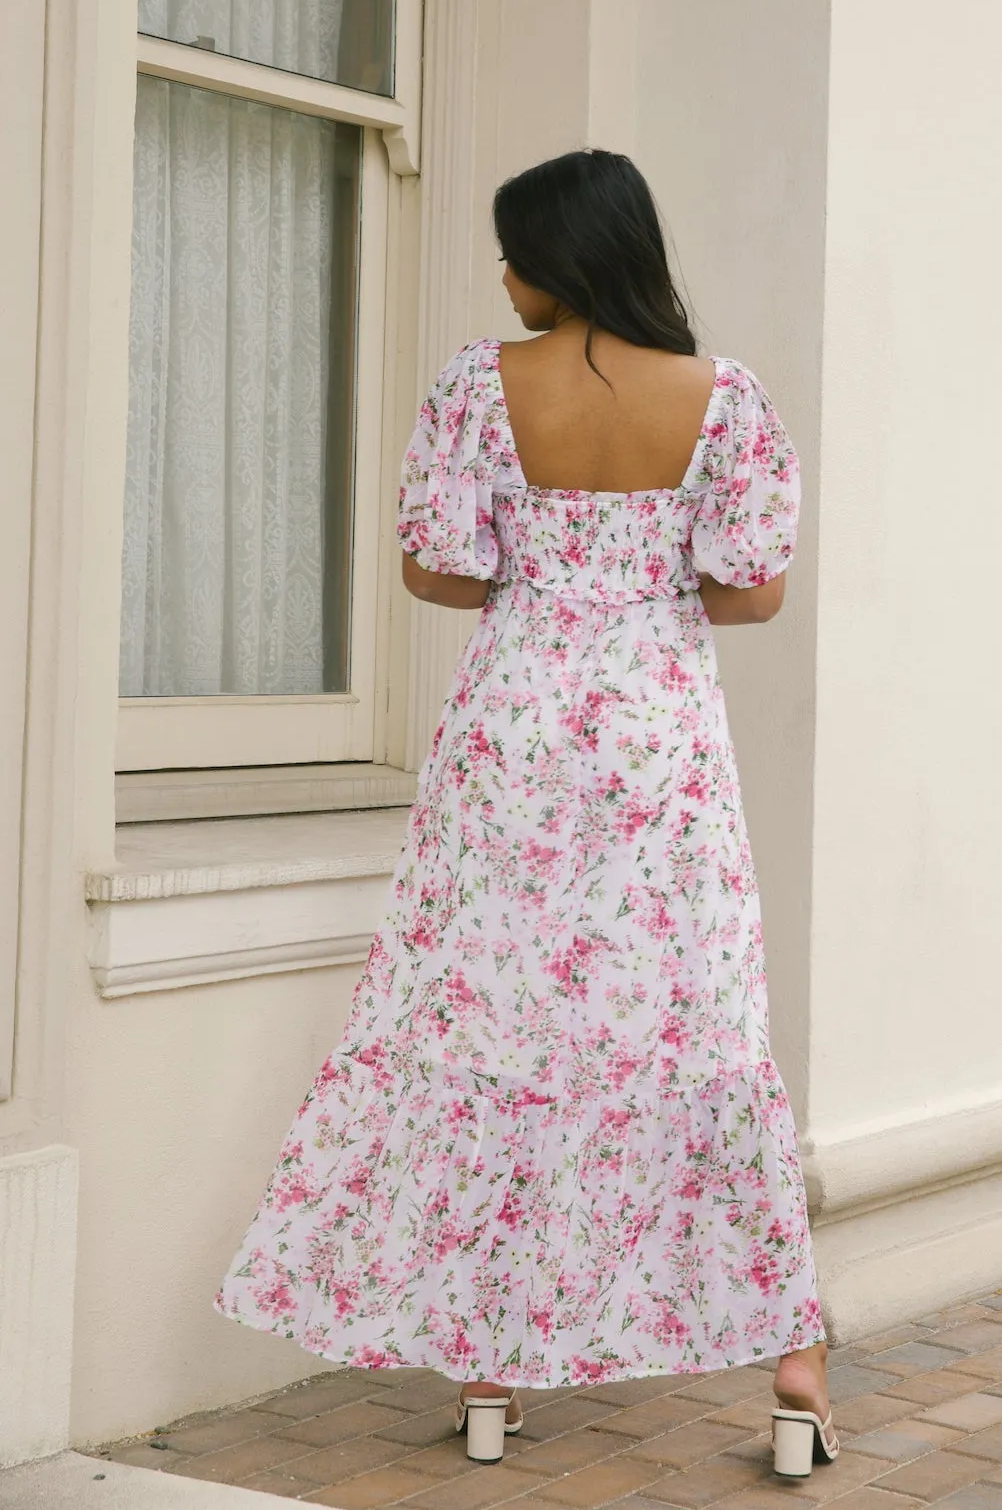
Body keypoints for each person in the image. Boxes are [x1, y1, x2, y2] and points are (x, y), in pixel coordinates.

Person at [215, 149, 837, 1480]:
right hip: (661, 752)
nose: (502, 276)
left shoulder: (474, 387)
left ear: (558, 255)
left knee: (502, 1026)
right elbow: (755, 589)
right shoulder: (723, 401)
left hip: (514, 743)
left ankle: (493, 1370)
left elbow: (441, 571)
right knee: (696, 1022)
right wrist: (648, 599)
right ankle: (794, 1370)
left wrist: (546, 586)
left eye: (512, 252)